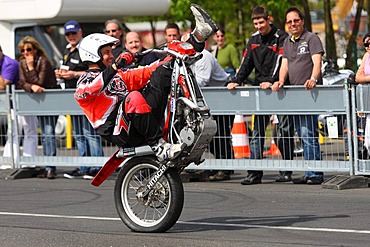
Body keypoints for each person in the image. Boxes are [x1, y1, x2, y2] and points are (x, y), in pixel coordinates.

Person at [75, 4, 218, 163]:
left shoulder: (119, 75)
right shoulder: (85, 80)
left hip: (140, 122)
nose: (111, 56)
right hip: (121, 132)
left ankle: (199, 35)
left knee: (163, 70)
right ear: (93, 56)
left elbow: (148, 70)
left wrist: (171, 57)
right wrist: (116, 66)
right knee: (134, 96)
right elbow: (87, 91)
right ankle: (159, 147)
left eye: (110, 52)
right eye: (106, 53)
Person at [227, 6, 291, 185]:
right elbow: (246, 62)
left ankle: (286, 170)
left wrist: (272, 81)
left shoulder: (281, 37)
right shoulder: (253, 39)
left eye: (261, 22)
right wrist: (237, 80)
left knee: (282, 132)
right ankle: (254, 173)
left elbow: (281, 61)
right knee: (257, 133)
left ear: (268, 19)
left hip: (279, 89)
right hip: (259, 92)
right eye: (256, 23)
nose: (259, 26)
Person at [271, 6, 324, 185]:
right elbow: (284, 65)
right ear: (286, 25)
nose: (293, 24)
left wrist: (313, 79)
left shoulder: (311, 38)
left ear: (302, 21)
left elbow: (317, 62)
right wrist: (280, 81)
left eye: (296, 20)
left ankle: (315, 173)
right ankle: (310, 171)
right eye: (289, 22)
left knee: (308, 134)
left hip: (309, 94)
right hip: (294, 95)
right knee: (302, 135)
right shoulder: (287, 41)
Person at [55, 20, 104, 179]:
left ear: (80, 32)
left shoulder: (86, 48)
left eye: (73, 33)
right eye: (68, 34)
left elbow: (94, 70)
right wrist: (61, 74)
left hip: (87, 95)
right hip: (72, 96)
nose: (71, 36)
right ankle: (84, 166)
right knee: (78, 133)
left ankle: (97, 166)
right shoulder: (67, 50)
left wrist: (74, 75)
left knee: (89, 131)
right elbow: (67, 68)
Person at [17, 36, 58, 178]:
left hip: (50, 100)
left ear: (35, 50)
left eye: (29, 49)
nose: (26, 53)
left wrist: (31, 68)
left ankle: (50, 167)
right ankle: (47, 165)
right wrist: (31, 86)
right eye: (23, 51)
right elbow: (22, 82)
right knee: (44, 135)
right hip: (37, 102)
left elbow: (40, 81)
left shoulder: (44, 62)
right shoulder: (21, 63)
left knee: (48, 133)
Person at [0, 45, 23, 169]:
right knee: (10, 133)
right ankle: (8, 159)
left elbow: (3, 86)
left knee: (15, 132)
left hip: (14, 104)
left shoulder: (9, 64)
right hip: (6, 104)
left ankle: (16, 161)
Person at [355, 33, 370, 155]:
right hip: (368, 104)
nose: (368, 46)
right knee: (368, 142)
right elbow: (358, 77)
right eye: (366, 44)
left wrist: (365, 77)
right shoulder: (366, 56)